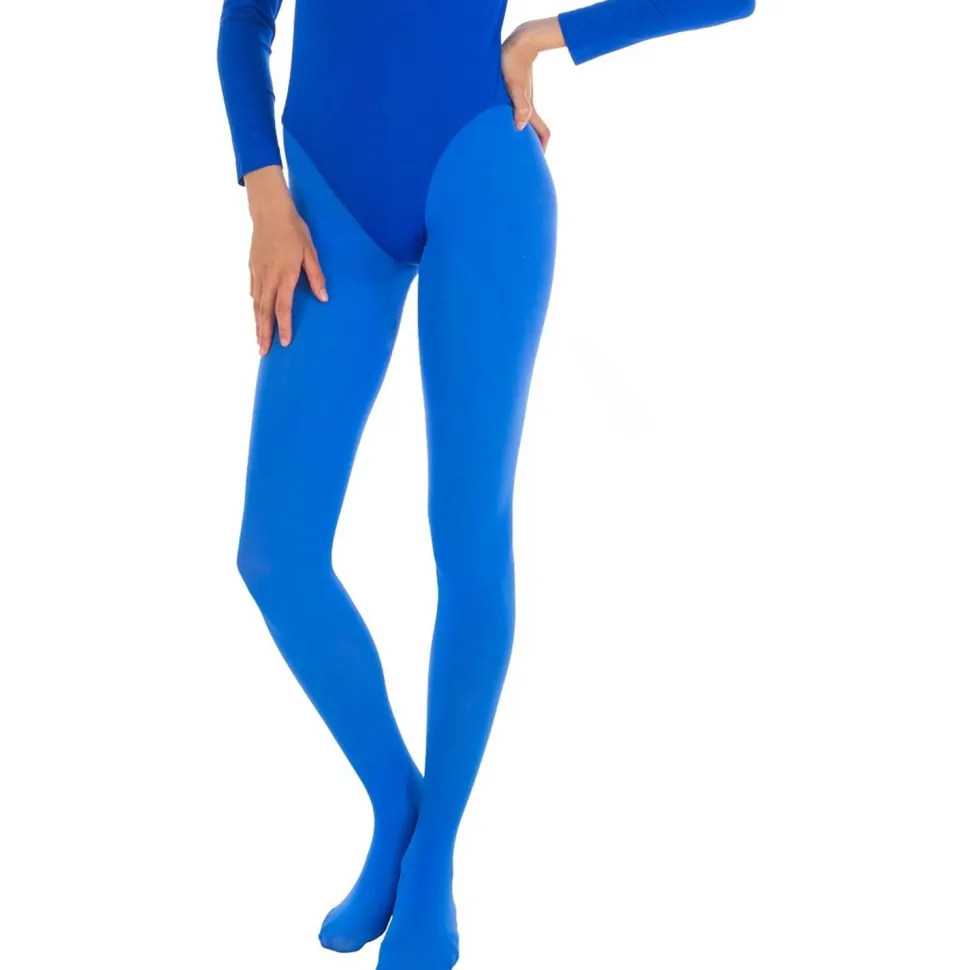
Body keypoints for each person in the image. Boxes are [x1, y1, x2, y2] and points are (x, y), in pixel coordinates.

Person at [217, 0, 754, 966]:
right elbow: (245, 19)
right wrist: (262, 187)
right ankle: (400, 806)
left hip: (482, 179)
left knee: (469, 533)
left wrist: (553, 36)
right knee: (276, 556)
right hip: (324, 205)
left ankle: (435, 859)